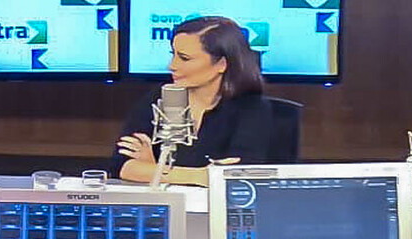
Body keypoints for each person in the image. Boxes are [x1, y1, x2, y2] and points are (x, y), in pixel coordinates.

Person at [112, 16, 299, 183]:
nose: (172, 66)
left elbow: (234, 178)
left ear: (222, 64)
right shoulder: (163, 96)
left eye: (184, 58)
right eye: (173, 55)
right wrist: (199, 175)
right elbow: (122, 166)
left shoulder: (251, 109)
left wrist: (155, 170)